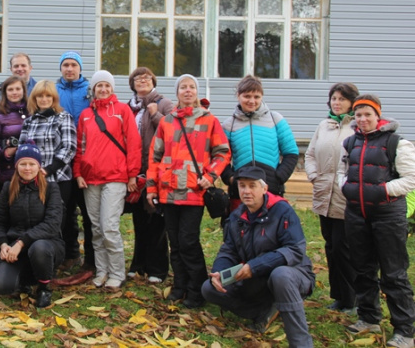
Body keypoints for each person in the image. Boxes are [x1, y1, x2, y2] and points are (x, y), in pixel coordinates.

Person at [201, 166, 315, 348]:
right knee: (209, 288)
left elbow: (294, 250)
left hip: (292, 275)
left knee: (281, 276)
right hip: (255, 278)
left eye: (252, 186)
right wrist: (218, 273)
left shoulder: (282, 211)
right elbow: (228, 250)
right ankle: (263, 311)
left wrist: (255, 266)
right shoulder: (236, 216)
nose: (246, 191)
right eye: (242, 186)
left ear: (264, 188)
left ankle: (301, 342)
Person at [146, 74, 231, 307]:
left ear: (196, 92)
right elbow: (155, 156)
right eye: (183, 87)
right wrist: (151, 188)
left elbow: (222, 152)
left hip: (194, 191)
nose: (187, 90)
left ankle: (197, 290)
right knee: (175, 243)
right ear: (177, 93)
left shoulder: (209, 120)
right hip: (168, 191)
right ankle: (179, 286)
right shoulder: (166, 122)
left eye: (191, 87)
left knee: (189, 242)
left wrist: (210, 175)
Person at [339, 95, 415, 348]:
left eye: (367, 114)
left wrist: (382, 191)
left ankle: (404, 330)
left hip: (388, 215)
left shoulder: (397, 143)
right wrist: (345, 187)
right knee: (362, 268)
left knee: (394, 274)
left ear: (378, 116)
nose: (362, 119)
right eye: (358, 115)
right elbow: (343, 171)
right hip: (356, 214)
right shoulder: (350, 142)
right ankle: (369, 316)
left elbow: (411, 178)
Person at [74, 70, 141, 289]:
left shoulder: (122, 111)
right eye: (98, 86)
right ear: (92, 90)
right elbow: (80, 147)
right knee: (95, 228)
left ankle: (117, 272)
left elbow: (133, 144)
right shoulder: (85, 115)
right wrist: (78, 173)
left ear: (112, 89)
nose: (103, 89)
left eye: (107, 86)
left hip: (115, 177)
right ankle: (101, 270)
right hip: (91, 179)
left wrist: (132, 174)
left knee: (109, 226)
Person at [304, 82, 359, 313]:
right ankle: (338, 297)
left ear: (351, 103)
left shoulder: (357, 127)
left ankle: (352, 299)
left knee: (343, 248)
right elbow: (310, 154)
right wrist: (314, 176)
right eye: (334, 98)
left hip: (345, 198)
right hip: (323, 194)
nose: (336, 103)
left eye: (342, 99)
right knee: (330, 246)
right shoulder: (324, 125)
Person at [0, 143, 65, 308]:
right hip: (15, 247)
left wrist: (21, 242)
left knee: (39, 248)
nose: (27, 168)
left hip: (47, 244)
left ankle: (44, 287)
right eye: (23, 164)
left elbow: (52, 224)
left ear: (39, 166)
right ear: (17, 166)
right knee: (1, 287)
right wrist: (2, 244)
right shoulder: (7, 188)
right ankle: (25, 279)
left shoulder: (51, 188)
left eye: (32, 164)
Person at [19, 80, 78, 269]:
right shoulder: (29, 121)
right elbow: (23, 148)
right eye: (39, 96)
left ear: (53, 98)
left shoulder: (63, 117)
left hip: (58, 178)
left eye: (47, 96)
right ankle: (40, 256)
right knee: (38, 217)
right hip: (34, 178)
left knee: (62, 218)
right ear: (34, 99)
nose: (43, 99)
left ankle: (68, 255)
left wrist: (49, 169)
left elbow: (69, 147)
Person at [221, 75, 298, 210]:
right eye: (247, 96)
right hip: (241, 192)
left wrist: (279, 177)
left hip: (271, 190)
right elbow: (221, 157)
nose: (252, 101)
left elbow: (291, 153)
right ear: (238, 96)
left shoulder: (276, 120)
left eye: (256, 97)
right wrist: (231, 179)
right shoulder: (229, 125)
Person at [125, 67, 173, 284]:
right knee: (140, 219)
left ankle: (158, 268)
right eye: (137, 78)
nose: (142, 80)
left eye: (146, 77)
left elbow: (173, 130)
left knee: (156, 220)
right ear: (132, 83)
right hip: (136, 171)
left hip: (157, 170)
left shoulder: (163, 103)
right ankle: (138, 264)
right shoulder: (129, 107)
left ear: (153, 81)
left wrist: (154, 113)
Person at [55, 51, 94, 273]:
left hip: (87, 158)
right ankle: (70, 254)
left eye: (73, 65)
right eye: (65, 65)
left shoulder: (89, 91)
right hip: (63, 160)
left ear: (80, 68)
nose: (69, 69)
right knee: (66, 211)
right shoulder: (54, 90)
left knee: (89, 212)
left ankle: (91, 258)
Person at [0, 76, 29, 189]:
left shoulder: (32, 110)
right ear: (5, 92)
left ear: (24, 91)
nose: (14, 92)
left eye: (18, 89)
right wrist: (6, 153)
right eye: (10, 89)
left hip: (29, 170)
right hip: (7, 172)